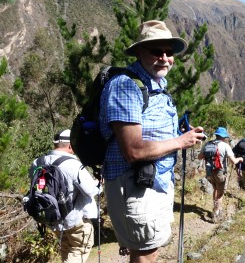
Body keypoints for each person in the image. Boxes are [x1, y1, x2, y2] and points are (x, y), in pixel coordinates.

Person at [99, 20, 205, 262]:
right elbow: (133, 150)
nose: (165, 58)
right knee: (145, 254)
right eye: (157, 51)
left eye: (169, 52)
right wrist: (181, 141)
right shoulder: (126, 86)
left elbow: (148, 130)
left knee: (150, 250)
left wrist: (178, 132)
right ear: (139, 52)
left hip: (154, 181)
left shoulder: (155, 85)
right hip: (135, 183)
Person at [29, 129, 101, 263]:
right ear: (70, 146)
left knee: (66, 249)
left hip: (53, 217)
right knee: (79, 248)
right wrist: (98, 183)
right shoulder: (73, 164)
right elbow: (90, 190)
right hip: (75, 219)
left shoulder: (37, 163)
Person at [198, 127, 243, 223]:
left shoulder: (208, 144)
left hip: (209, 172)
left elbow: (200, 157)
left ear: (216, 135)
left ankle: (214, 208)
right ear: (224, 137)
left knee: (215, 189)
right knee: (220, 193)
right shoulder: (225, 146)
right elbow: (233, 161)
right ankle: (216, 213)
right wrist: (239, 159)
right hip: (220, 172)